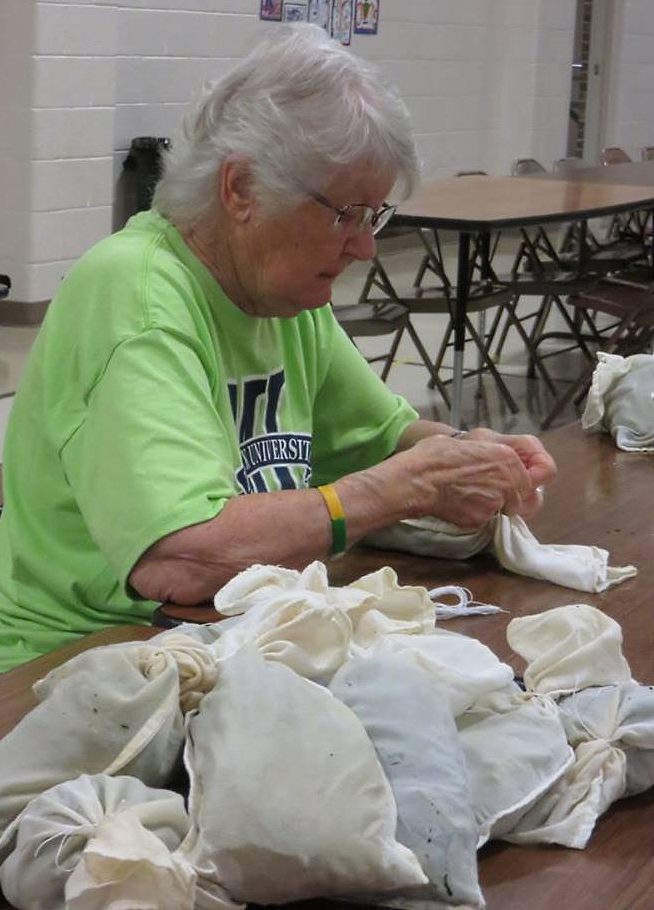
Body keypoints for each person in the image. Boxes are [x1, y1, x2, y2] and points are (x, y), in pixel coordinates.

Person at [0, 24, 555, 671]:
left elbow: (388, 441)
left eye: (373, 216)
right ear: (241, 190)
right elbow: (181, 560)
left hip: (223, 638)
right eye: (345, 214)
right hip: (86, 660)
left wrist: (472, 459)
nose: (366, 247)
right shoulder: (138, 296)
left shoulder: (283, 297)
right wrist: (405, 486)